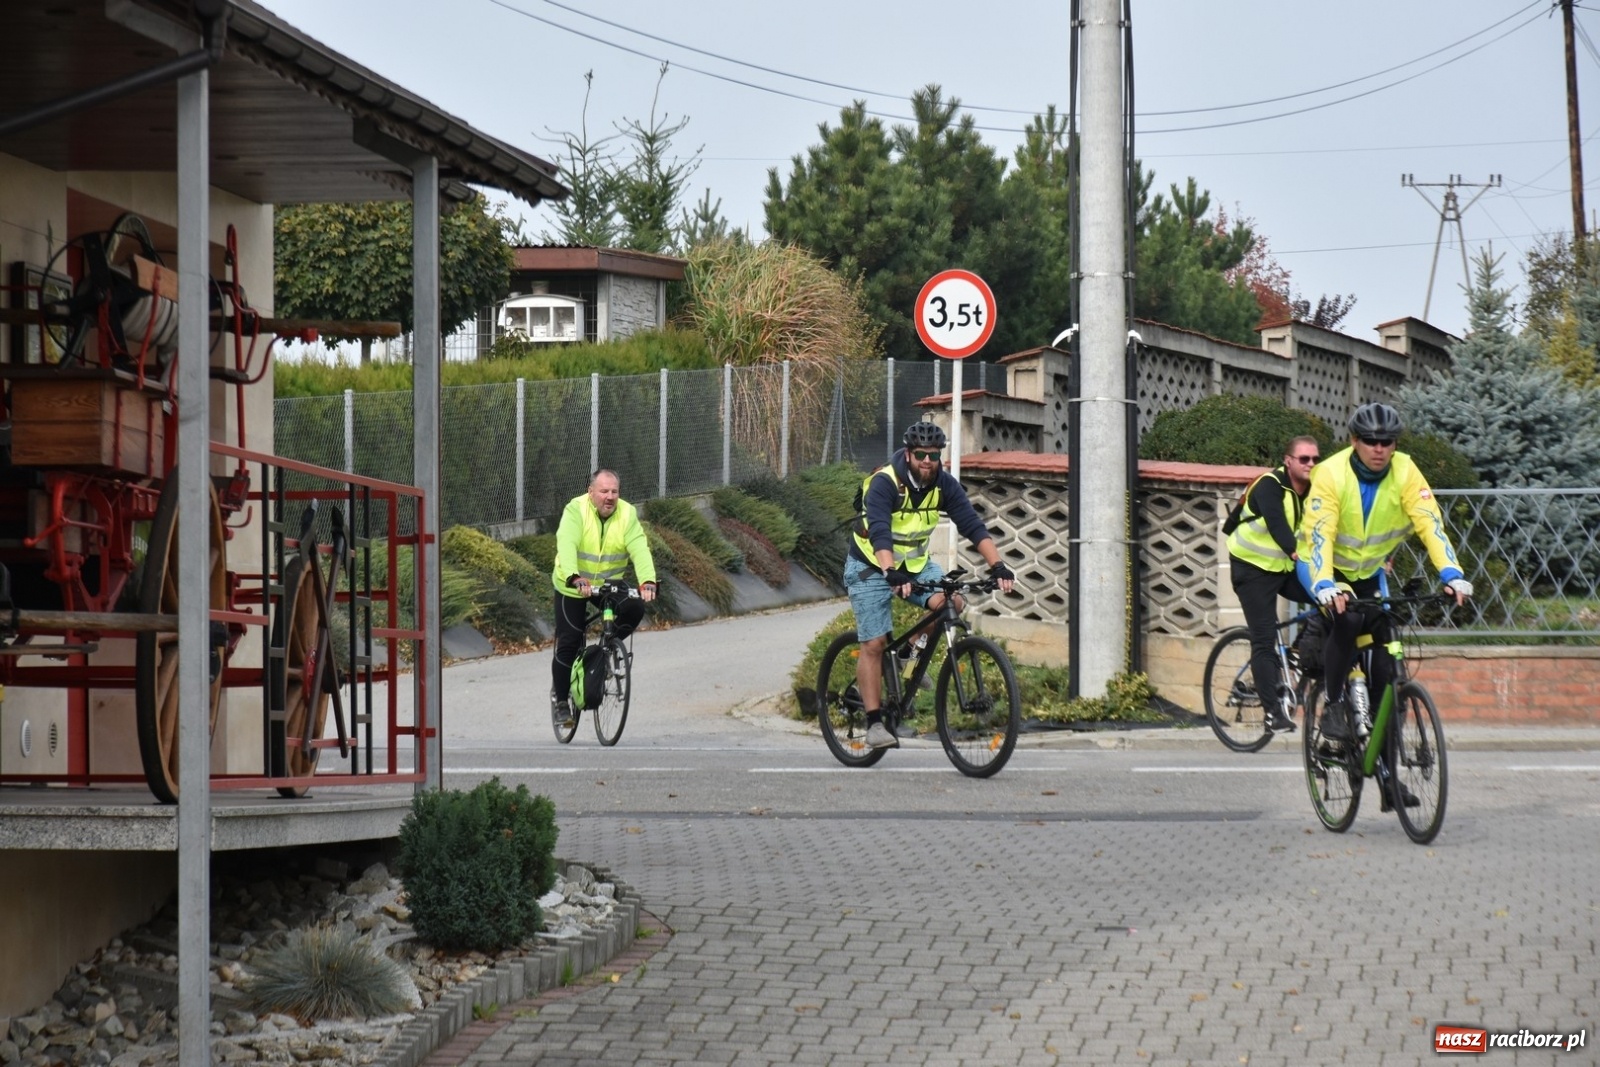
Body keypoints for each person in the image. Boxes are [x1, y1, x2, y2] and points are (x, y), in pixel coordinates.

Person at [1296, 403, 1472, 807]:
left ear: (1395, 444)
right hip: (1321, 567)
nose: (1379, 448)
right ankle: (1336, 707)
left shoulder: (1406, 471)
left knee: (1388, 677)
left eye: (1387, 441)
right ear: (1355, 441)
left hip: (1370, 571)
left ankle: (1389, 782)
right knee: (1345, 618)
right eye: (1370, 441)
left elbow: (1430, 522)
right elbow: (1321, 534)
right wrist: (1325, 583)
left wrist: (1451, 573)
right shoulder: (1330, 473)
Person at [846, 421, 1015, 749]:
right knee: (875, 643)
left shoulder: (943, 484)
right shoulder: (885, 483)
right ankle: (874, 723)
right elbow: (880, 528)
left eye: (934, 455)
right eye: (921, 454)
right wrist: (889, 571)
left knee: (952, 603)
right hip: (870, 565)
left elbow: (972, 524)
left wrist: (998, 565)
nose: (927, 460)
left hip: (915, 566)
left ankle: (907, 656)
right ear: (909, 454)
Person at [1226, 435, 1321, 733]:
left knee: (1330, 601)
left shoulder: (1316, 489)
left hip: (1282, 568)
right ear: (1288, 461)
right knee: (1264, 640)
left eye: (1315, 459)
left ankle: (1294, 653)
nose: (1311, 464)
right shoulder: (1269, 485)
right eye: (1304, 459)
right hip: (1252, 571)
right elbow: (1277, 522)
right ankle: (1272, 715)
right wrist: (1296, 551)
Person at [550, 469, 657, 727]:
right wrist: (574, 577)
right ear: (591, 492)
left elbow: (639, 549)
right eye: (604, 491)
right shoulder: (576, 510)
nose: (610, 497)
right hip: (573, 585)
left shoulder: (627, 514)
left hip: (607, 585)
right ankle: (562, 702)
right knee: (570, 639)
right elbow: (566, 544)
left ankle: (605, 648)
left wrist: (648, 581)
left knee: (634, 608)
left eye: (614, 492)